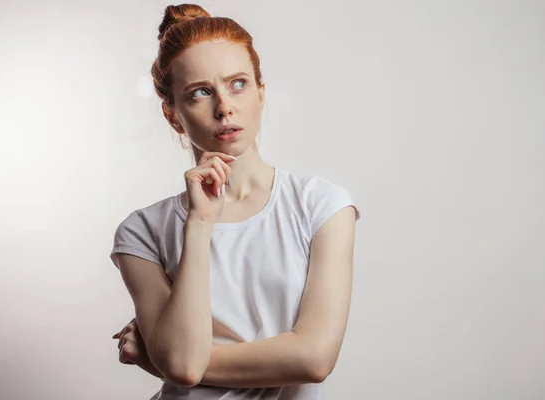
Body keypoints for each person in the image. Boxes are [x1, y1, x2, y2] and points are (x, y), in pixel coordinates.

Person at [109, 4, 360, 399]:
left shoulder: (322, 206)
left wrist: (163, 359)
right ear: (172, 115)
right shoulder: (141, 232)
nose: (224, 106)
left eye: (238, 83)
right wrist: (199, 222)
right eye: (201, 92)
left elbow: (314, 359)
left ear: (261, 93)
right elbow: (182, 367)